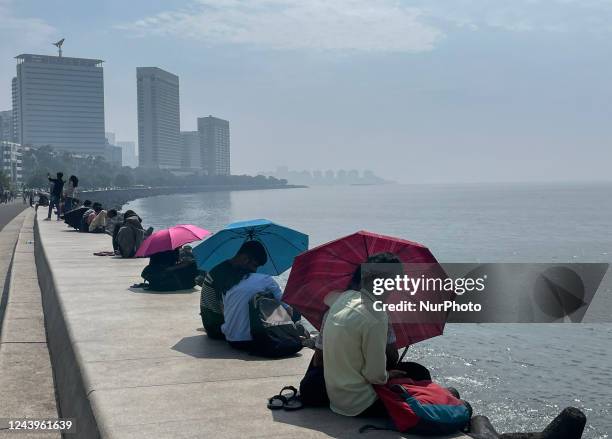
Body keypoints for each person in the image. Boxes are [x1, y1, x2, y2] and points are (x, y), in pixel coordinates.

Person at [322, 252, 413, 418]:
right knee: (420, 379)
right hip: (362, 402)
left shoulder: (344, 298)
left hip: (336, 398)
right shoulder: (376, 314)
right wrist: (387, 375)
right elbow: (375, 376)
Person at [200, 241, 270, 340]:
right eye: (254, 265)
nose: (255, 271)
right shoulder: (222, 274)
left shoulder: (231, 269)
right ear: (245, 259)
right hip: (215, 327)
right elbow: (226, 309)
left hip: (217, 320)